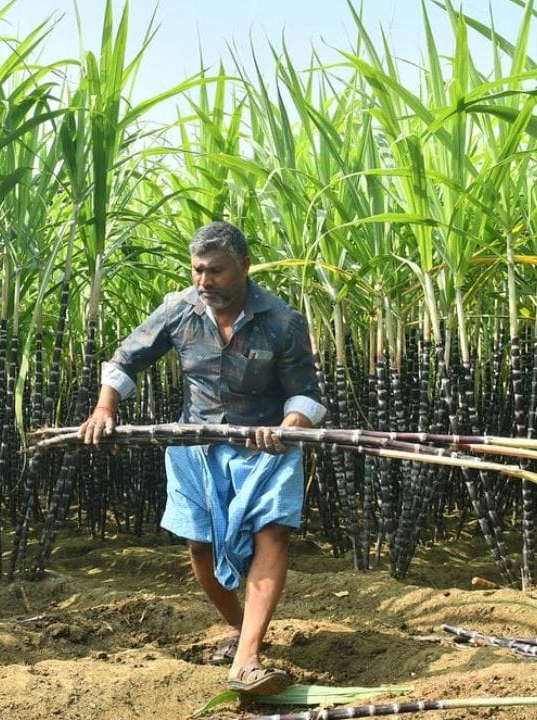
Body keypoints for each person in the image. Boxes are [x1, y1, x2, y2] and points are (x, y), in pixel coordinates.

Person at [79, 221, 326, 695]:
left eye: (216, 271)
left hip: (265, 449)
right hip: (196, 445)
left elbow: (306, 395)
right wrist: (105, 406)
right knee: (199, 547)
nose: (204, 281)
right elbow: (125, 359)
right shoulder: (179, 309)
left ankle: (248, 659)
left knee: (273, 533)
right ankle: (241, 631)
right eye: (197, 270)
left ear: (244, 267)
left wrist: (291, 426)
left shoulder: (281, 320)